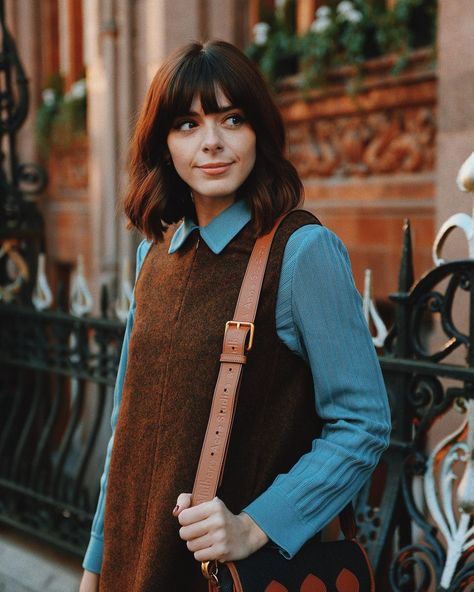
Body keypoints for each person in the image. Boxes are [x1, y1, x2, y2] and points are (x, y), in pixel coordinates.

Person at [80, 40, 390, 592]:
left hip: (225, 576)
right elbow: (123, 431)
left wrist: (255, 526)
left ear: (258, 133)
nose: (212, 143)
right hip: (130, 569)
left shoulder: (301, 252)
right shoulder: (153, 256)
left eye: (232, 119)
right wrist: (95, 565)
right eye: (187, 124)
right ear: (164, 143)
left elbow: (363, 423)